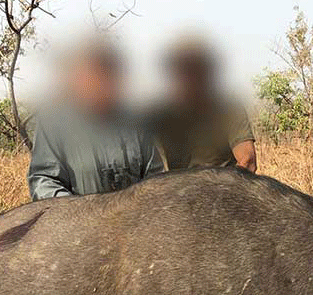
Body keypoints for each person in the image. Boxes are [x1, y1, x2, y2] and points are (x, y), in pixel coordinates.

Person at [28, 40, 163, 201]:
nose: (102, 84)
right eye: (94, 75)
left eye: (110, 75)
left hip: (135, 221)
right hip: (78, 222)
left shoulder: (136, 122)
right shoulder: (54, 123)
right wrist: (78, 213)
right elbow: (43, 181)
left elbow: (156, 179)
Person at [146, 38, 257, 173]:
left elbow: (248, 161)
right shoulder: (162, 114)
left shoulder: (228, 108)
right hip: (178, 190)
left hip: (222, 188)